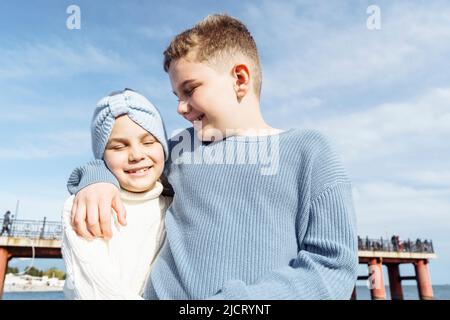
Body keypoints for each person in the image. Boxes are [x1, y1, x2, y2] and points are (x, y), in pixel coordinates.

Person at [66, 14, 358, 299]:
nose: (180, 108)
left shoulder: (310, 151)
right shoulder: (181, 148)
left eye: (189, 90)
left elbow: (331, 268)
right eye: (176, 96)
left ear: (240, 79)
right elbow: (133, 163)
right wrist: (97, 180)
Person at [61, 89, 171, 299]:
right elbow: (96, 291)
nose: (137, 155)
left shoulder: (177, 205)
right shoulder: (83, 207)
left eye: (148, 142)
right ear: (102, 157)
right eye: (119, 147)